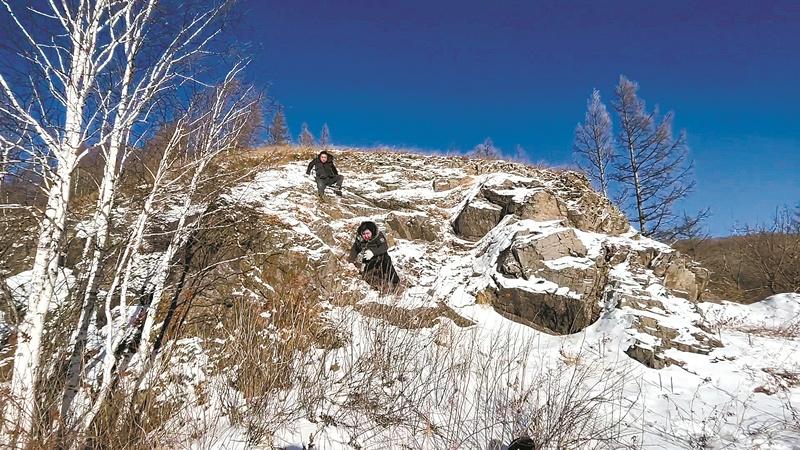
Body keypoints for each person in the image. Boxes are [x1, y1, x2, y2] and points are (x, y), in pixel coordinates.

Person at [348, 221, 401, 291]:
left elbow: (384, 247)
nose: (366, 236)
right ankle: (376, 285)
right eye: (363, 234)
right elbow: (355, 249)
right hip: (367, 260)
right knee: (368, 276)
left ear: (372, 232)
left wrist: (373, 252)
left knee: (386, 258)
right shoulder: (360, 238)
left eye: (367, 233)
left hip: (380, 258)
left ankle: (395, 282)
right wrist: (351, 261)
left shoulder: (378, 235)